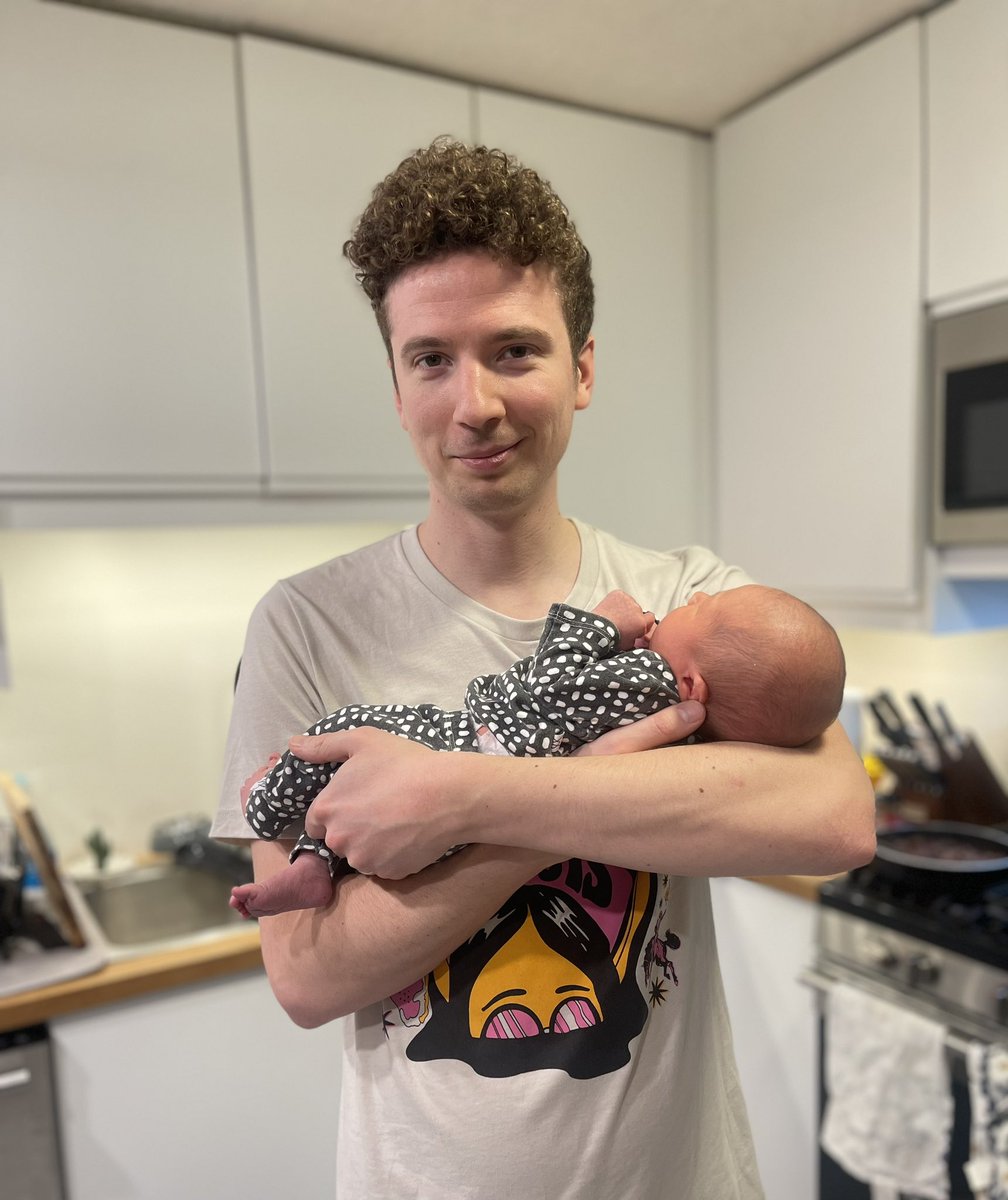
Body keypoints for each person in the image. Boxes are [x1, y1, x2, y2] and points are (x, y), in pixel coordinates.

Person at [212, 138, 875, 1199]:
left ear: (584, 368)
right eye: (431, 358)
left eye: (514, 350)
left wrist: (467, 796)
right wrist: (586, 793)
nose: (473, 403)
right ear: (395, 385)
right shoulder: (304, 623)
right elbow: (306, 973)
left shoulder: (685, 598)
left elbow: (835, 819)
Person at [230, 583, 845, 919]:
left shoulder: (645, 680)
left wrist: (599, 622)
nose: (694, 597)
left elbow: (553, 679)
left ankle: (266, 801)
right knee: (349, 798)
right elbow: (305, 989)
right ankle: (314, 866)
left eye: (699, 610)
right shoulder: (686, 735)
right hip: (468, 795)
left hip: (471, 743)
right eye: (432, 360)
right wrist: (571, 795)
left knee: (350, 727)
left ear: (689, 686)